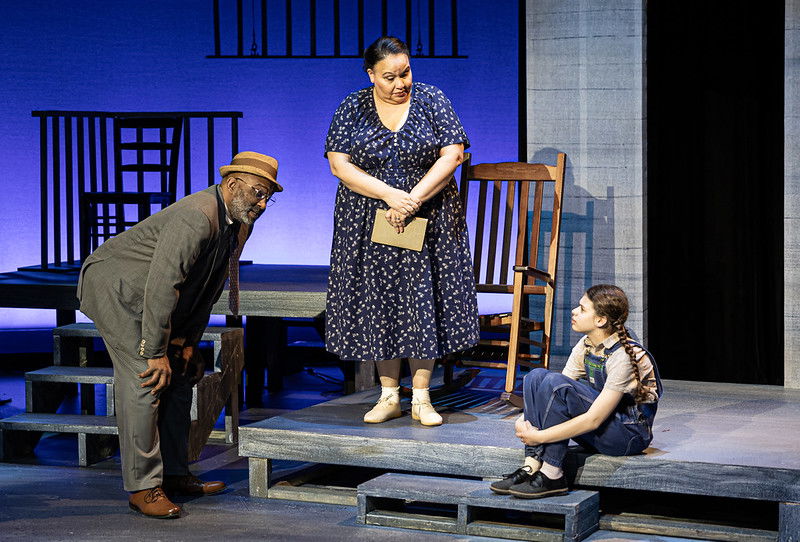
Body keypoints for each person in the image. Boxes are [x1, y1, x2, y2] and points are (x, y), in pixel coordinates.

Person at [77, 151, 281, 518]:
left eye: (268, 197)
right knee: (146, 377)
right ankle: (143, 487)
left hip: (156, 297)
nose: (262, 204)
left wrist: (187, 342)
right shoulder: (196, 216)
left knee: (182, 373)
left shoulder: (239, 222)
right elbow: (163, 284)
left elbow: (208, 286)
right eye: (257, 193)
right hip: (119, 288)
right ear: (232, 183)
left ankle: (173, 473)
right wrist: (155, 350)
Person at [324, 36, 479, 427]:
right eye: (389, 77)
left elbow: (453, 154)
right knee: (381, 299)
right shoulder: (352, 106)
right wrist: (390, 195)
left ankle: (422, 398)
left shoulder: (432, 99)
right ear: (371, 75)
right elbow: (340, 165)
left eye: (405, 73)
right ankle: (389, 394)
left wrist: (412, 199)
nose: (400, 83)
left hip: (429, 215)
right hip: (367, 217)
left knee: (422, 298)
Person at [490, 284, 663, 498]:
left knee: (555, 383)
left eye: (582, 309)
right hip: (605, 428)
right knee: (537, 377)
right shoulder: (586, 344)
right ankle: (531, 466)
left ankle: (552, 473)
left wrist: (539, 436)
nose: (574, 311)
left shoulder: (623, 356)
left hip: (627, 436)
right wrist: (523, 420)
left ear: (600, 320)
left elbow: (593, 420)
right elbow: (550, 392)